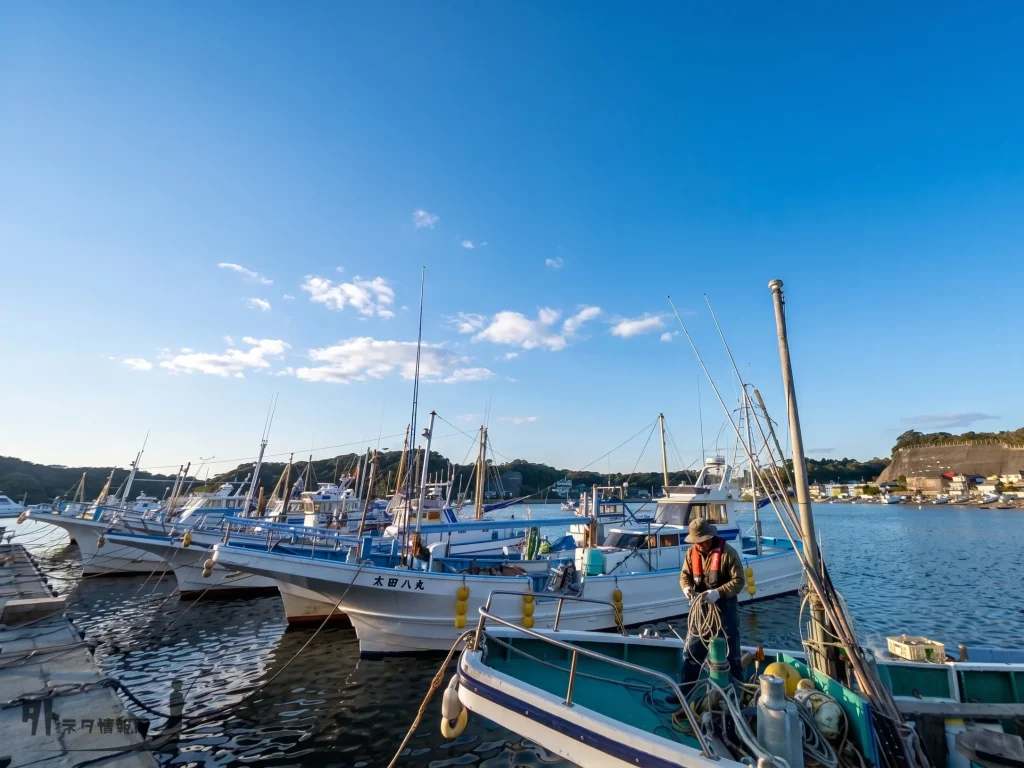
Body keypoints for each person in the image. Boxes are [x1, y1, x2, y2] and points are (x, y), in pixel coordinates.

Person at [679, 517, 745, 686]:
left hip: (725, 609)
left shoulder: (727, 553)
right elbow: (685, 576)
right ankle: (685, 690)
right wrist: (686, 587)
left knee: (731, 654)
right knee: (693, 651)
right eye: (697, 542)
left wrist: (718, 592)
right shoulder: (691, 553)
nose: (700, 545)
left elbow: (738, 581)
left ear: (710, 537)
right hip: (701, 610)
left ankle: (737, 691)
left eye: (703, 541)